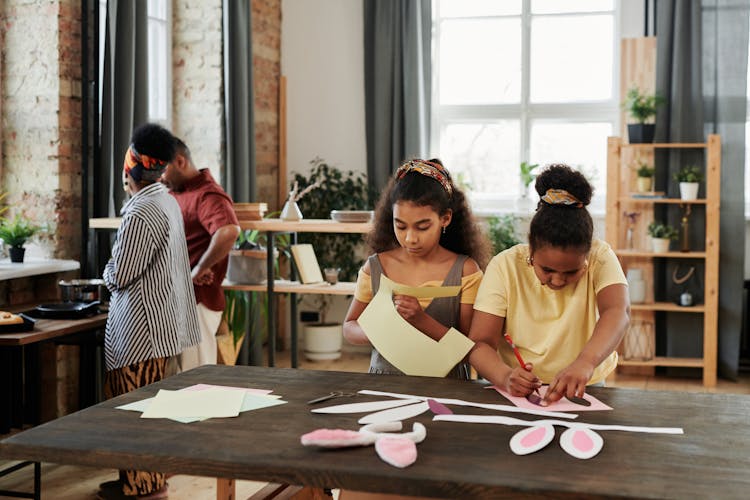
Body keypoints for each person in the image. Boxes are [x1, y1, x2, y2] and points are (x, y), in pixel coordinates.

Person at [468, 163, 630, 405]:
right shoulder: (505, 266)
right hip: (515, 390)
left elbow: (618, 312)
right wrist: (505, 376)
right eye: (547, 270)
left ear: (587, 256)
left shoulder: (600, 256)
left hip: (586, 383)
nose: (557, 280)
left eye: (572, 271)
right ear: (531, 249)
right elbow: (480, 343)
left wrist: (585, 362)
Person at [101, 123, 201, 499]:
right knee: (152, 407)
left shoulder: (141, 210)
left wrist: (105, 272)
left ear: (132, 165)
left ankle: (142, 486)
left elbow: (122, 272)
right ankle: (144, 479)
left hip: (140, 331)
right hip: (163, 326)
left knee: (135, 407)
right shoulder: (167, 200)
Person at [343, 158, 490, 378]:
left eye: (422, 227)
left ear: (445, 218)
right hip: (383, 385)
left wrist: (422, 321)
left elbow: (471, 346)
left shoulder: (465, 271)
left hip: (447, 387)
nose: (410, 238)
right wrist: (379, 331)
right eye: (400, 226)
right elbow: (349, 327)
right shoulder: (375, 266)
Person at [160, 135, 240, 369]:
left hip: (197, 301)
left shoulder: (208, 194)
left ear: (180, 161)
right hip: (176, 298)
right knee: (178, 379)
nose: (159, 178)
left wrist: (200, 268)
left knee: (195, 377)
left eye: (162, 170)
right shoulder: (175, 192)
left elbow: (228, 231)